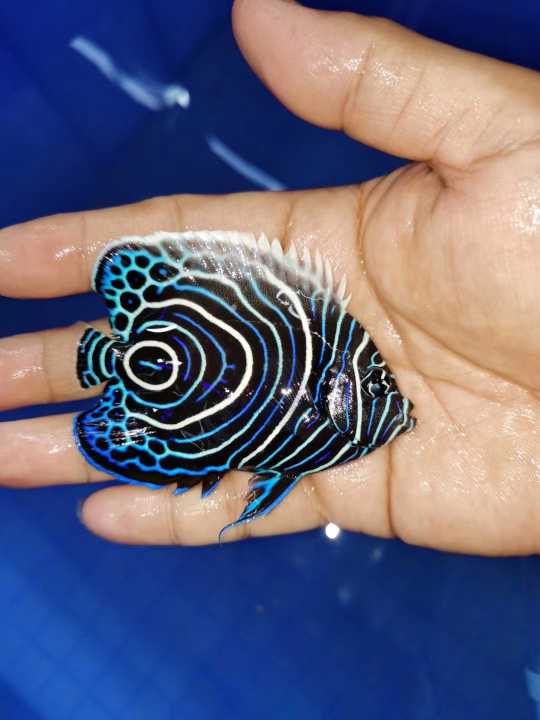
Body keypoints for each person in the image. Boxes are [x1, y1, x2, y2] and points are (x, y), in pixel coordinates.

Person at [0, 0, 538, 554]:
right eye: (380, 388)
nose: (395, 405)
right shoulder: (340, 401)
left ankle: (124, 368)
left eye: (378, 388)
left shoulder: (342, 371)